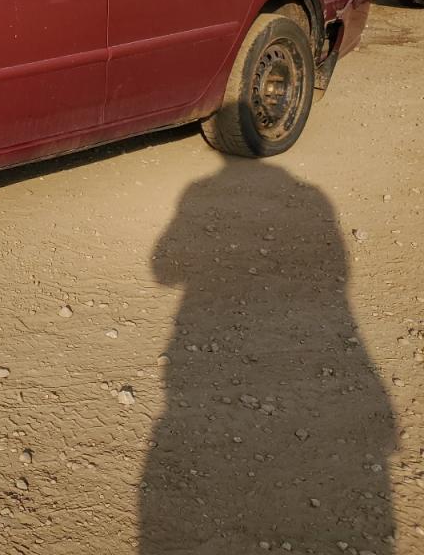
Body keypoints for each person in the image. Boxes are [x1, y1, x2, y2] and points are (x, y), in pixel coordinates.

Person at [140, 158, 397, 554]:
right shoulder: (313, 197)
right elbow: (339, 273)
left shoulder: (198, 192)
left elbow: (162, 270)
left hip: (202, 352)